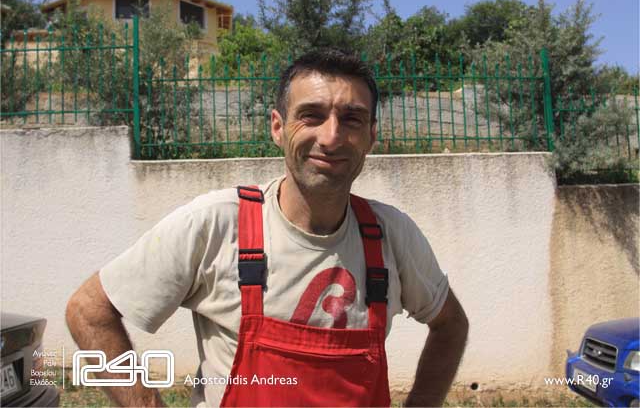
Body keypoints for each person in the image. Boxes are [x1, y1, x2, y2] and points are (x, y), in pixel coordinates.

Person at [66, 49, 469, 407]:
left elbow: (451, 325)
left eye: (352, 119)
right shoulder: (216, 223)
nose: (331, 137)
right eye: (311, 116)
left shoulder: (390, 235)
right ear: (278, 127)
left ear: (371, 136)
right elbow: (88, 310)